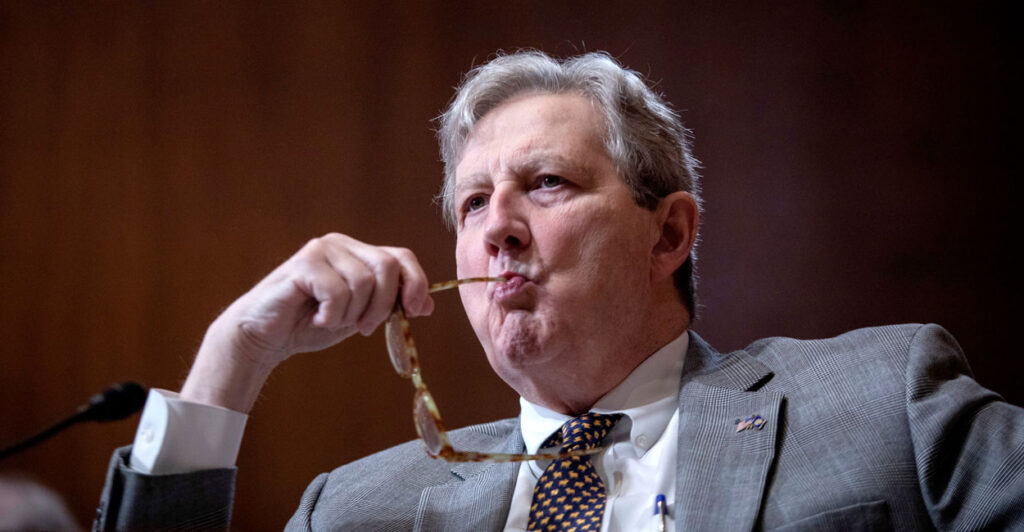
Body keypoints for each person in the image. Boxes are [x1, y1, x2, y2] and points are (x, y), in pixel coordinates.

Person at [94, 51, 1023, 531]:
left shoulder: (881, 401)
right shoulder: (353, 507)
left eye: (546, 184)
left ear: (668, 234)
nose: (493, 225)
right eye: (470, 202)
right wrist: (233, 356)